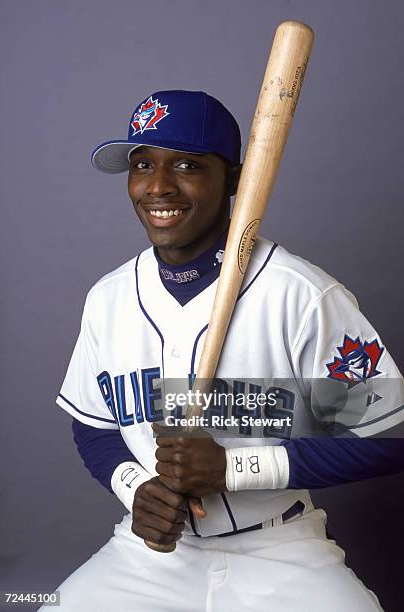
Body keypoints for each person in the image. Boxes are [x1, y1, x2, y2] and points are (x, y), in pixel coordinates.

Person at [45, 90, 404, 611]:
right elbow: (93, 423)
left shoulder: (298, 295)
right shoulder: (110, 298)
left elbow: (389, 438)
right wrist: (134, 488)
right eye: (142, 164)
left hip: (281, 548)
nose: (158, 186)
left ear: (236, 180)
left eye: (186, 164)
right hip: (149, 554)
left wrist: (235, 469)